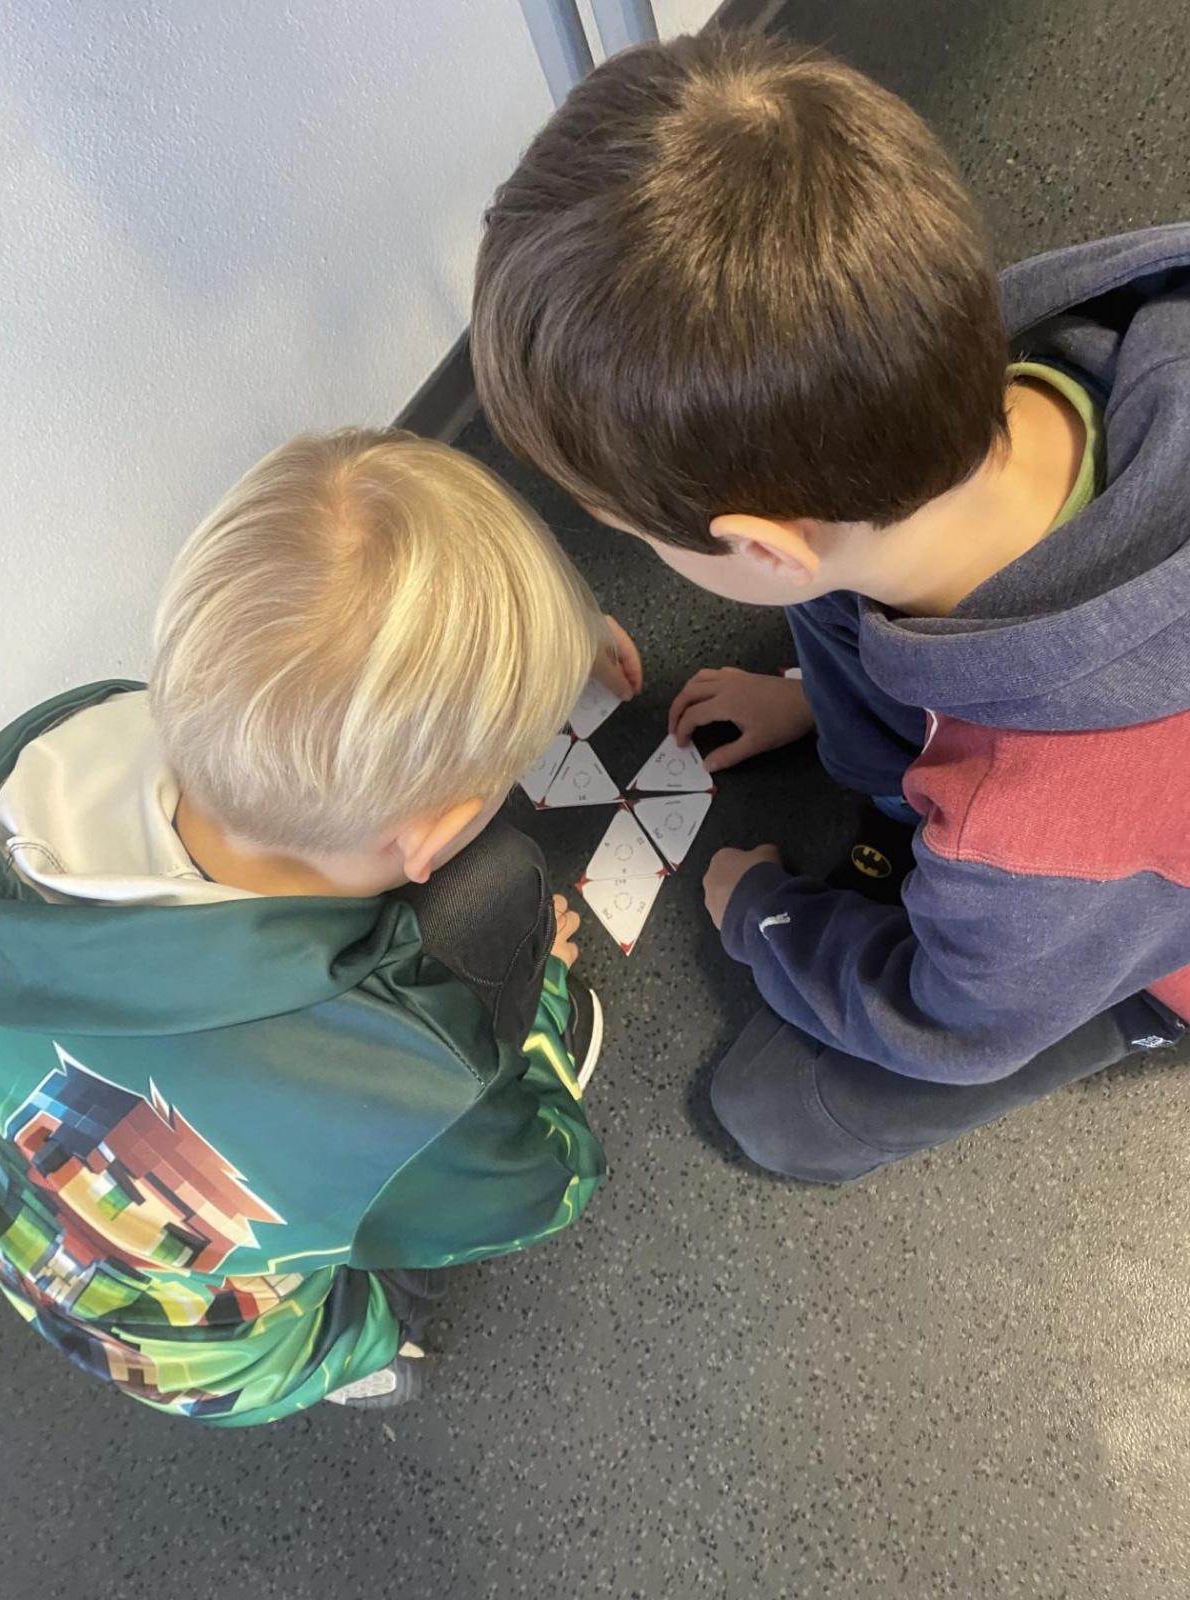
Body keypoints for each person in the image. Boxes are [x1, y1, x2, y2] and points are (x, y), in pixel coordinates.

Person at [470, 31, 1189, 1182]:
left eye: (634, 534)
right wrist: (815, 689)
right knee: (848, 591)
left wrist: (764, 912)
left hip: (1119, 898)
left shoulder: (1028, 831)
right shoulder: (1017, 351)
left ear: (761, 546)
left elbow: (955, 1025)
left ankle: (1139, 998)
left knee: (776, 1106)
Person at [0, 428, 642, 1423]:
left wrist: (543, 648)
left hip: (30, 1241)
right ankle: (363, 1359)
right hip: (218, 1359)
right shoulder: (392, 1066)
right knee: (377, 1259)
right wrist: (538, 1003)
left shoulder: (41, 754)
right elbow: (540, 1185)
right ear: (435, 833)